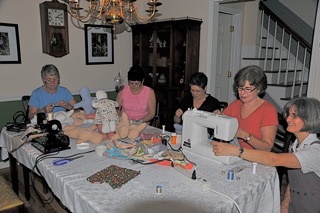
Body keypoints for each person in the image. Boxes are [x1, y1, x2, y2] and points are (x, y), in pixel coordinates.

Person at [212, 97, 320, 213]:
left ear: (309, 119)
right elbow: (294, 181)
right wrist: (285, 203)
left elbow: (274, 159)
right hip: (295, 206)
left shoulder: (315, 151)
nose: (288, 119)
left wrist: (236, 150)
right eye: (288, 114)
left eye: (294, 116)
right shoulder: (296, 145)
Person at [223, 65, 278, 151]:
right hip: (233, 152)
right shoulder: (235, 104)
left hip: (254, 158)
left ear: (259, 89)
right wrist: (216, 116)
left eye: (248, 89)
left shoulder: (268, 110)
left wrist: (244, 135)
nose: (242, 93)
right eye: (240, 88)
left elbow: (267, 147)